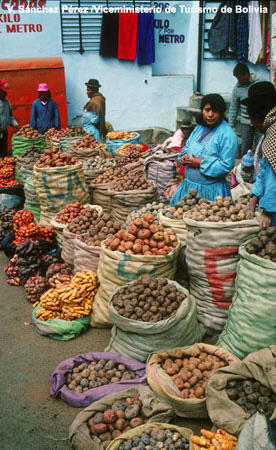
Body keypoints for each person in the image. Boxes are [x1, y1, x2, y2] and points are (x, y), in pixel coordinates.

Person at [170, 94, 238, 206]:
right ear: (202, 110)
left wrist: (201, 163)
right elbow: (187, 146)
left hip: (212, 191)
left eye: (215, 111)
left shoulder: (228, 135)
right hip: (189, 188)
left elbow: (226, 166)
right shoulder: (199, 128)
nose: (210, 115)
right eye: (207, 110)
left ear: (221, 112)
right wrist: (184, 156)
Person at [242, 81, 276, 229]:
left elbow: (273, 179)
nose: (252, 123)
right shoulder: (268, 132)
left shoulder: (273, 135)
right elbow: (264, 171)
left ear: (257, 116)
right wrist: (253, 200)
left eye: (251, 119)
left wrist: (268, 211)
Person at [228, 63, 262, 156]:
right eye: (237, 78)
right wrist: (230, 125)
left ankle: (260, 167)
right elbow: (233, 107)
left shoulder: (259, 82)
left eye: (240, 77)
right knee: (245, 148)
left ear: (247, 74)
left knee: (261, 146)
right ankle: (245, 168)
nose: (239, 80)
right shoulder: (237, 88)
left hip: (259, 120)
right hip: (245, 122)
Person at [0, 79, 19, 158]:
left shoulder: (7, 102)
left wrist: (17, 126)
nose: (5, 94)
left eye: (6, 92)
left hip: (4, 132)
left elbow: (11, 116)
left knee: (4, 153)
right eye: (3, 92)